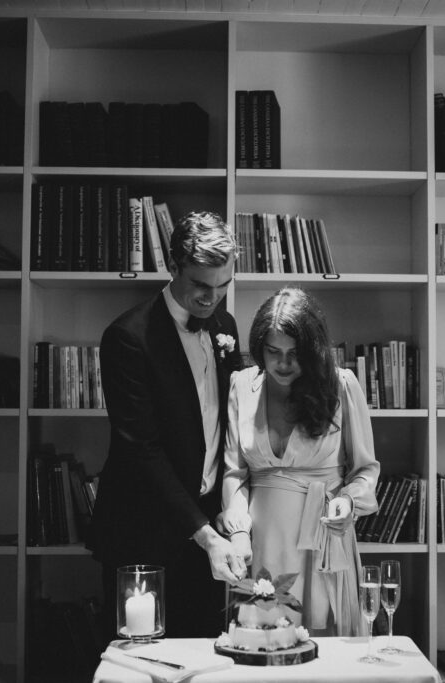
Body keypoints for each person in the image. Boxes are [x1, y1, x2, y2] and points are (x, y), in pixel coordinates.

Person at [91, 211, 246, 640]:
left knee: (207, 656)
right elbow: (140, 448)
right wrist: (204, 535)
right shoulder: (127, 337)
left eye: (223, 286)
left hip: (209, 532)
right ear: (173, 267)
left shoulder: (224, 327)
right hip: (144, 534)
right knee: (143, 663)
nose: (212, 299)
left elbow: (229, 425)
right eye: (200, 285)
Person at [219, 287, 380, 636]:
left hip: (322, 540)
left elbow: (366, 470)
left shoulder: (341, 386)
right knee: (262, 646)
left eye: (295, 354)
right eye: (273, 352)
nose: (284, 364)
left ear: (314, 350)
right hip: (259, 543)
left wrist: (348, 501)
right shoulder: (242, 386)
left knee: (324, 656)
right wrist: (238, 532)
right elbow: (235, 472)